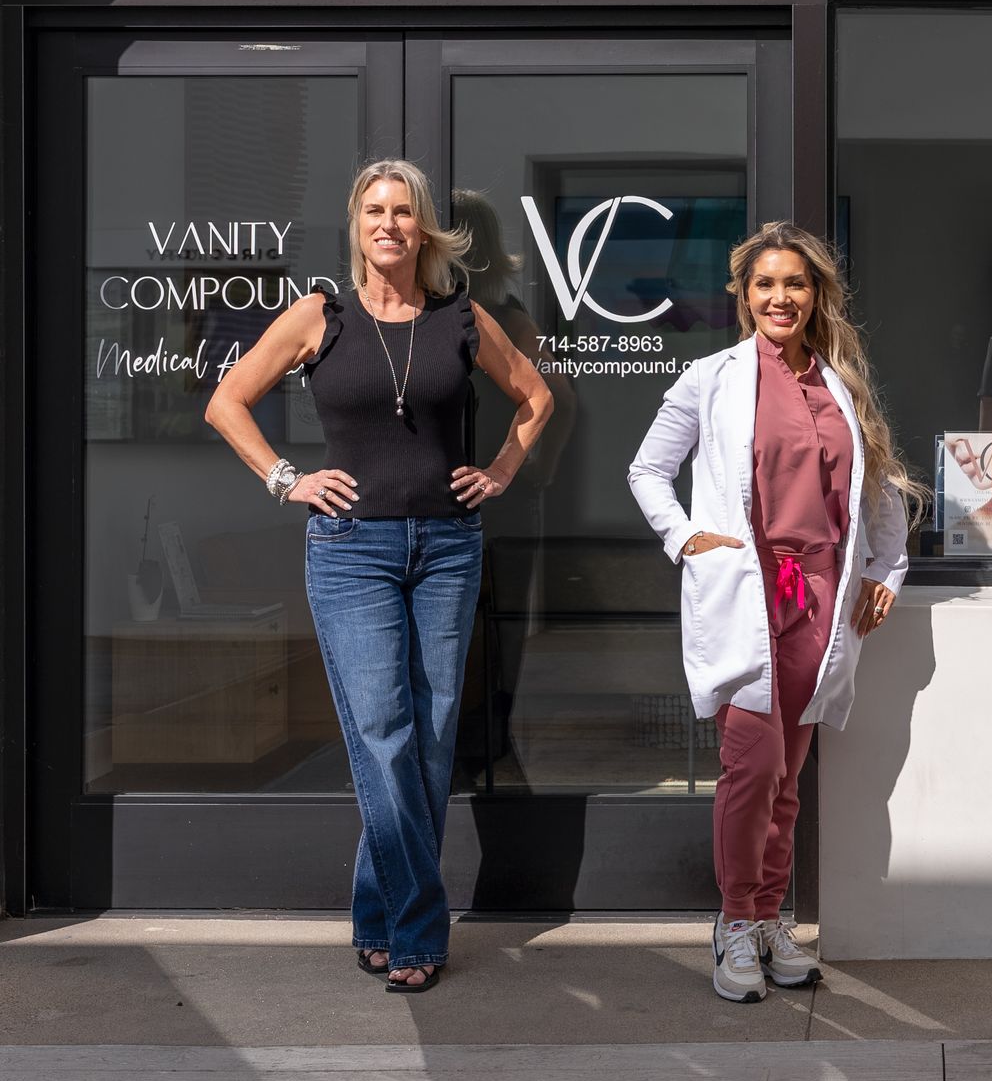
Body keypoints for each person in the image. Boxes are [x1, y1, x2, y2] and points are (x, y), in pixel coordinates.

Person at [206, 160, 554, 993]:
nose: (389, 223)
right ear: (356, 223)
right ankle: (417, 931)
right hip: (351, 550)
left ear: (424, 228)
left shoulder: (461, 319)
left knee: (428, 742)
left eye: (403, 211)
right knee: (382, 735)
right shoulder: (319, 315)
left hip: (446, 548)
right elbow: (226, 402)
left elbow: (535, 397)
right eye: (375, 210)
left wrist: (500, 469)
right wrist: (287, 478)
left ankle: (376, 915)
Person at [628, 221, 917, 1004]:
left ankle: (768, 923)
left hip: (823, 598)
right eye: (765, 285)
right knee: (749, 768)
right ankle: (733, 921)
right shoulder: (711, 378)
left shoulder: (839, 383)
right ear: (743, 294)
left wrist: (888, 566)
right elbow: (649, 469)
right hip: (749, 593)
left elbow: (878, 486)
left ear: (816, 294)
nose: (780, 297)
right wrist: (688, 538)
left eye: (795, 284)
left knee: (788, 776)